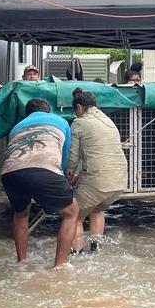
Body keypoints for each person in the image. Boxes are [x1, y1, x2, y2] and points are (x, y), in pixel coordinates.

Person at [1, 98, 79, 268]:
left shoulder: (17, 126)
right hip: (44, 169)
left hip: (10, 173)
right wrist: (65, 177)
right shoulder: (61, 121)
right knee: (71, 213)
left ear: (27, 114)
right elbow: (64, 158)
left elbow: (11, 152)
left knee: (20, 213)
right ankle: (60, 266)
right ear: (48, 110)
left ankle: (21, 262)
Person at [65, 88, 128, 253]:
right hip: (119, 179)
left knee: (75, 216)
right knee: (97, 210)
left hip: (98, 179)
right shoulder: (108, 120)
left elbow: (73, 156)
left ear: (79, 108)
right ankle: (95, 249)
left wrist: (69, 174)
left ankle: (76, 255)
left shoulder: (80, 122)